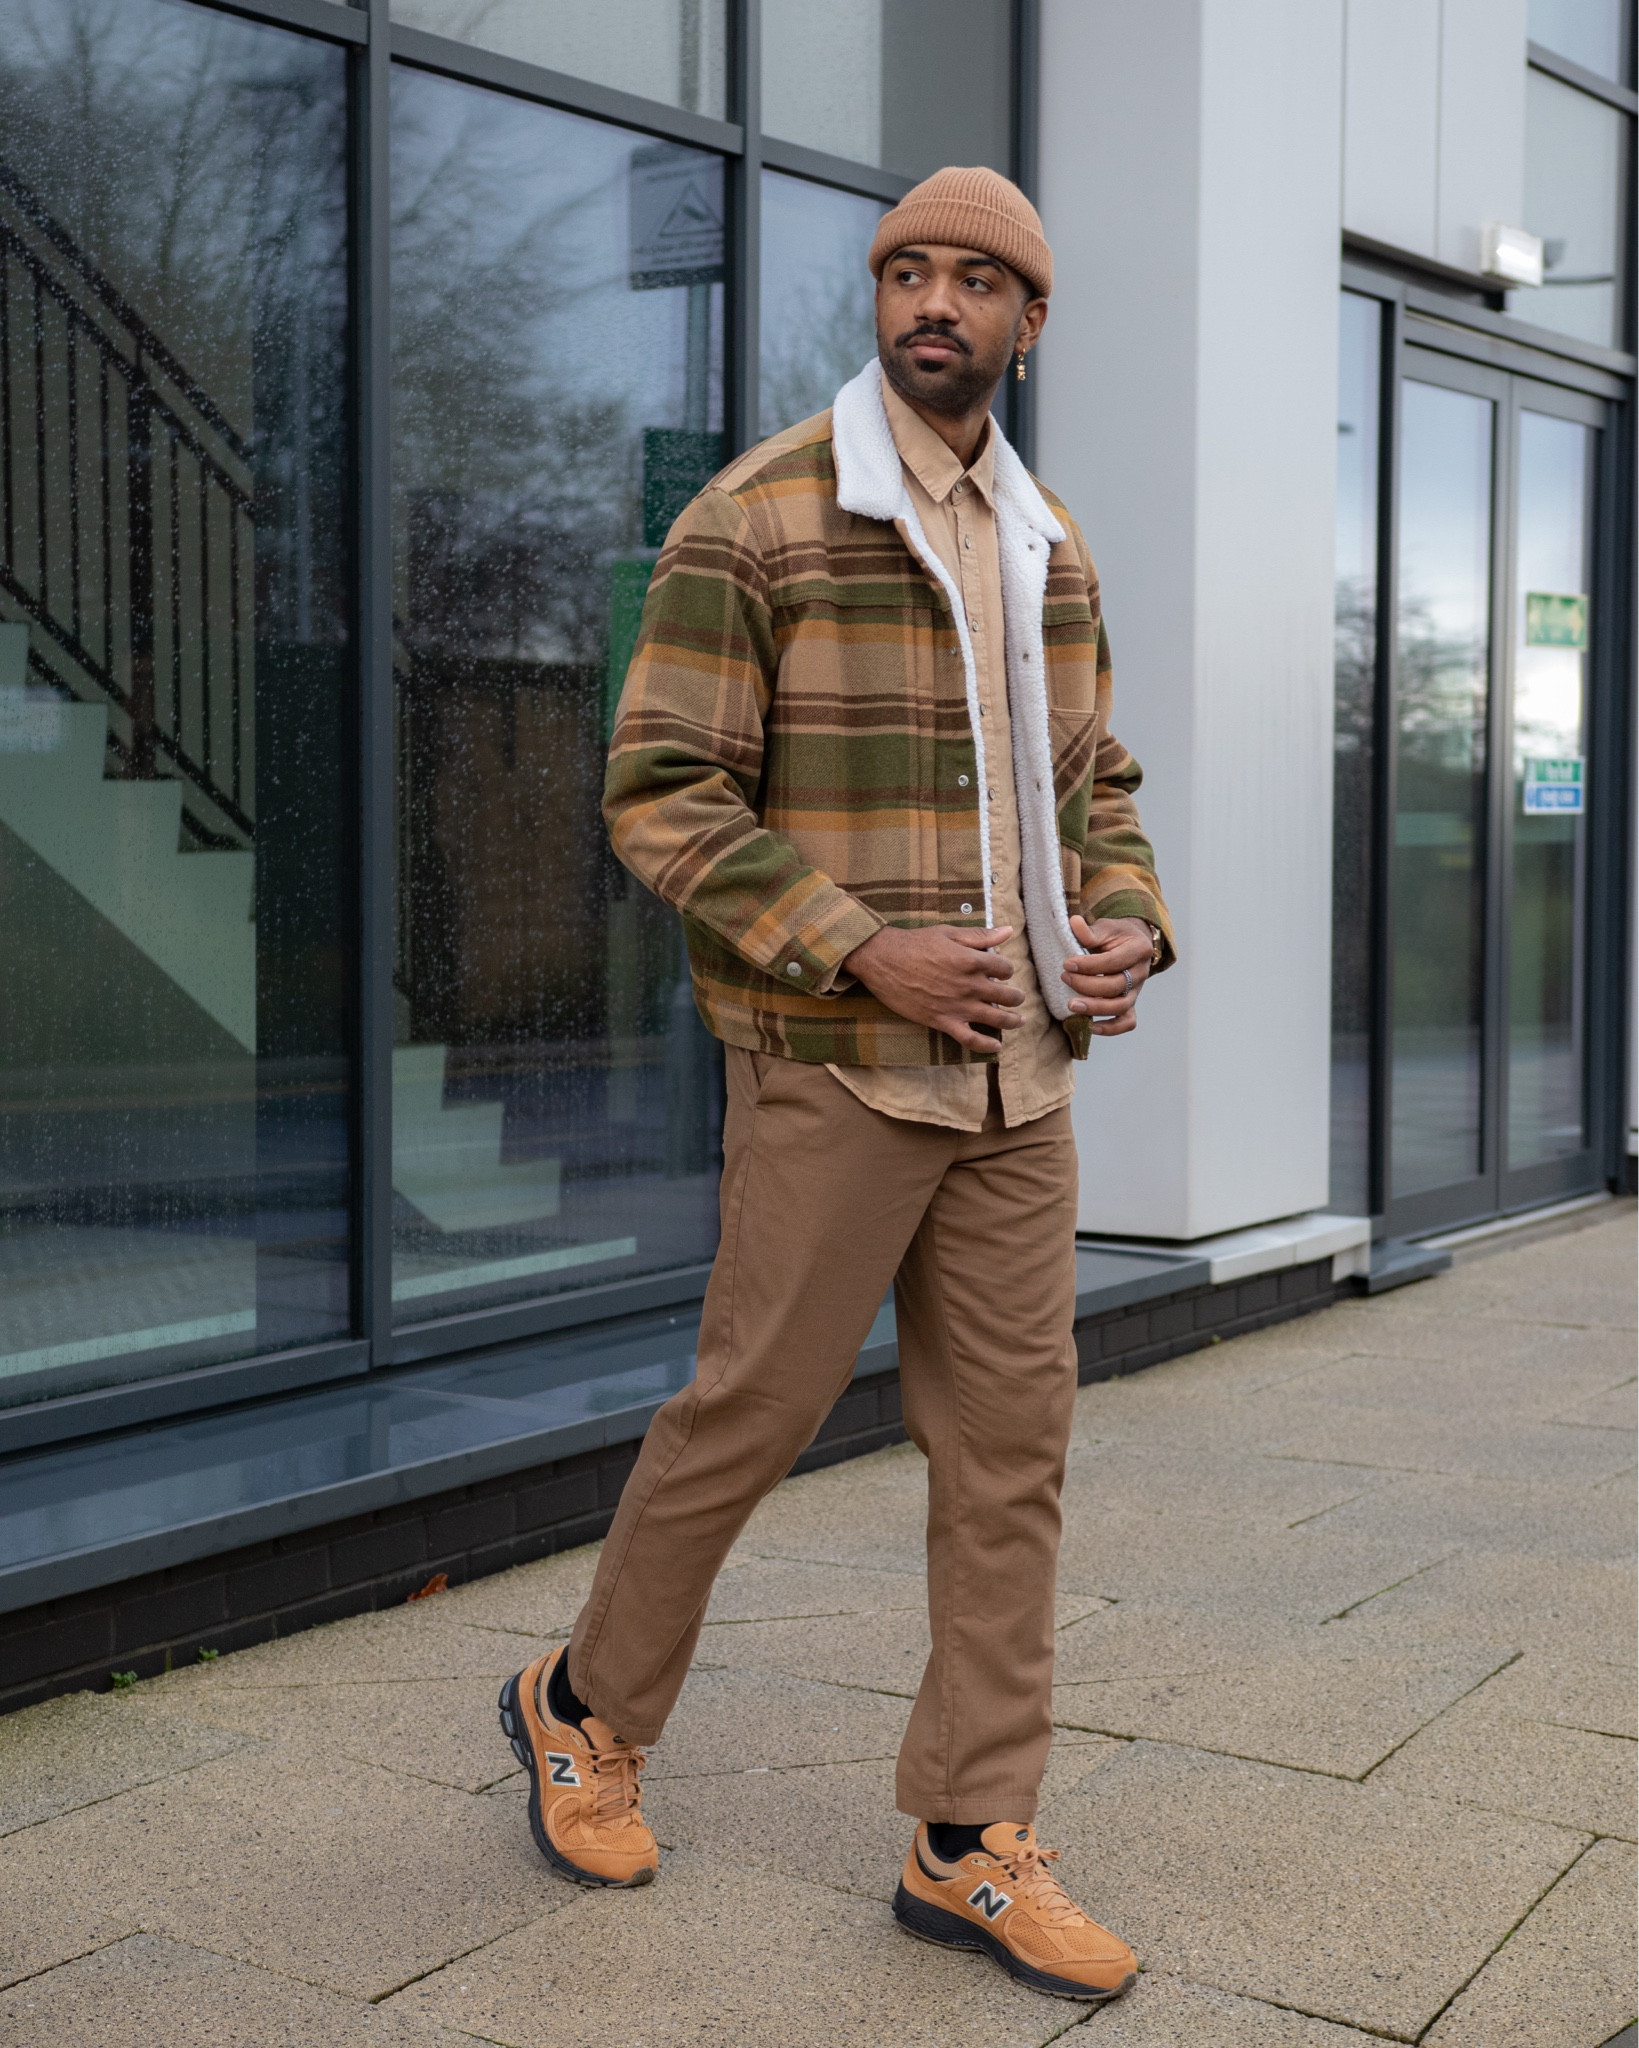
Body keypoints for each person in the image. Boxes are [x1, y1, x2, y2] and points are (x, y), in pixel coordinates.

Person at [497, 165, 1173, 2006]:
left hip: (1023, 1085)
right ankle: (581, 1708)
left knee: (1012, 1462)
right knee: (754, 1416)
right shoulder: (763, 521)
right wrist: (858, 942)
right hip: (837, 1071)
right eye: (905, 272)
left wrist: (1122, 924)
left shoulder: (1050, 544)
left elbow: (1096, 783)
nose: (932, 301)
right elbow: (660, 791)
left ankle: (968, 1838)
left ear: (1030, 323)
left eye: (974, 280)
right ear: (878, 297)